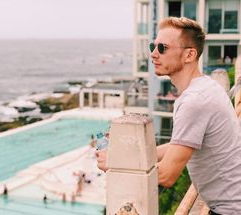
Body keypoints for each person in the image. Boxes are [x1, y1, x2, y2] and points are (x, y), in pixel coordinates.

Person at [96, 17, 241, 214]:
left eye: (162, 48)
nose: (154, 54)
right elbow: (177, 146)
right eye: (152, 47)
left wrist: (117, 164)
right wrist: (123, 154)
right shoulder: (206, 87)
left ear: (189, 54)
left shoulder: (194, 101)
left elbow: (166, 175)